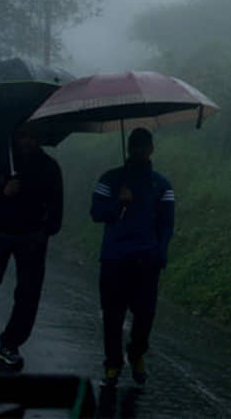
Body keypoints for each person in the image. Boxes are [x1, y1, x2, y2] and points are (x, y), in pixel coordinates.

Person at [0, 125, 64, 370]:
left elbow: (56, 206)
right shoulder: (0, 160)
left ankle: (11, 343)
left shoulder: (49, 167)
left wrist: (46, 230)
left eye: (33, 136)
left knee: (28, 294)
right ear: (15, 136)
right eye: (23, 136)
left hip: (32, 237)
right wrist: (3, 191)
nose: (28, 141)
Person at [90, 127, 175, 388]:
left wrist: (160, 253)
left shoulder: (161, 185)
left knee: (145, 315)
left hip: (147, 260)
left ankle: (136, 353)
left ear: (151, 149)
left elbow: (166, 223)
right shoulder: (110, 179)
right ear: (129, 148)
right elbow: (96, 213)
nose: (139, 151)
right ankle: (112, 364)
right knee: (113, 315)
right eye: (135, 146)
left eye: (143, 146)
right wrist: (119, 202)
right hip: (115, 257)